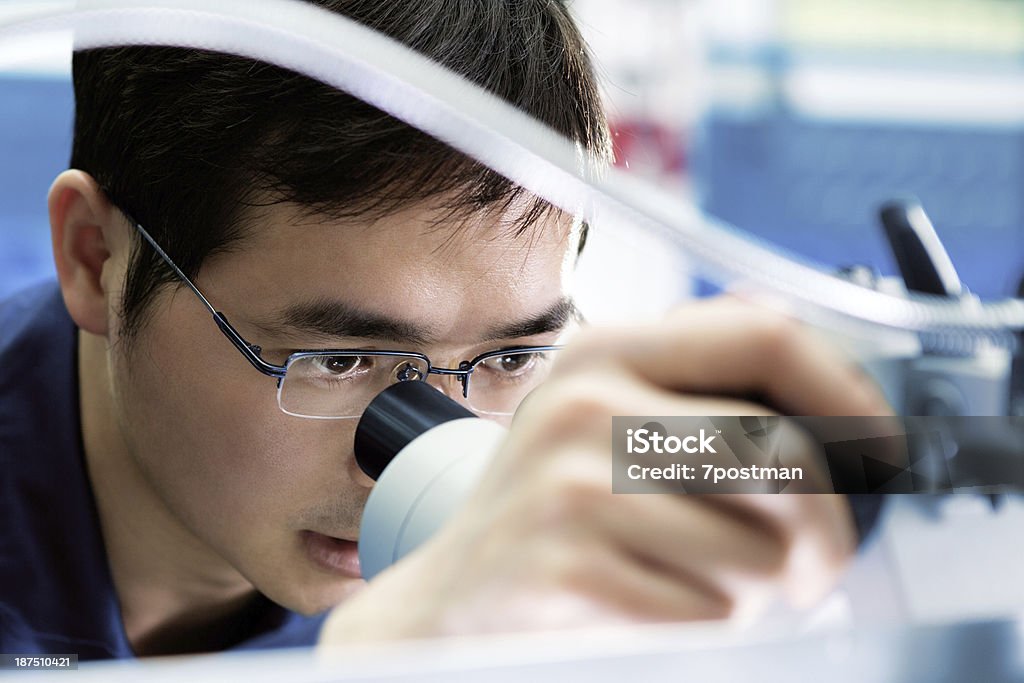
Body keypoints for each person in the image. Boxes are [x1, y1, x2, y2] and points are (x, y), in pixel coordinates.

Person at [0, 0, 890, 659]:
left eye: (509, 354)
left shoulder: (557, 476)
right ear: (94, 260)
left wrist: (862, 458)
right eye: (339, 359)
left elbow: (904, 457)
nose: (426, 446)